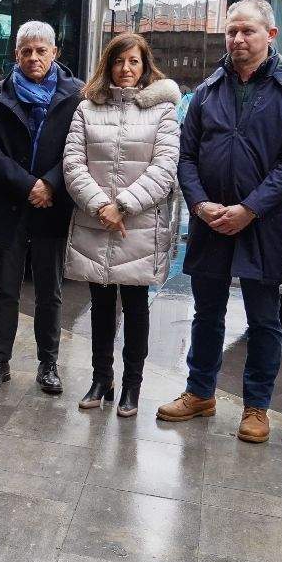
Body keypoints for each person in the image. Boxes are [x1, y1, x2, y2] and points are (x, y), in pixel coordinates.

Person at [159, 0, 282, 443]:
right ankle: (200, 392)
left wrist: (251, 208)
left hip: (261, 223)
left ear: (271, 35)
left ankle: (256, 407)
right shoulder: (209, 90)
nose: (237, 39)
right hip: (210, 220)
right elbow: (186, 155)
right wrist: (199, 203)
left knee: (264, 318)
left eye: (247, 31)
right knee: (205, 312)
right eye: (231, 31)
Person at [62, 32, 182, 417]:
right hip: (96, 221)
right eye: (119, 61)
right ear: (108, 65)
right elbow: (73, 164)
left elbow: (164, 168)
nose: (126, 69)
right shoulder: (87, 108)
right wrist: (100, 205)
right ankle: (102, 378)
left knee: (135, 308)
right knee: (99, 305)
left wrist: (124, 206)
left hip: (139, 227)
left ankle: (132, 384)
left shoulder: (163, 111)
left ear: (145, 66)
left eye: (134, 61)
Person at [0, 22, 82, 396]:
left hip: (53, 204)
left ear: (55, 53)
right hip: (9, 203)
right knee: (5, 288)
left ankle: (48, 362)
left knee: (50, 290)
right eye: (26, 51)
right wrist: (29, 185)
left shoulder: (77, 95)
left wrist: (50, 184)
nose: (34, 58)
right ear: (16, 55)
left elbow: (79, 149)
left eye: (41, 51)